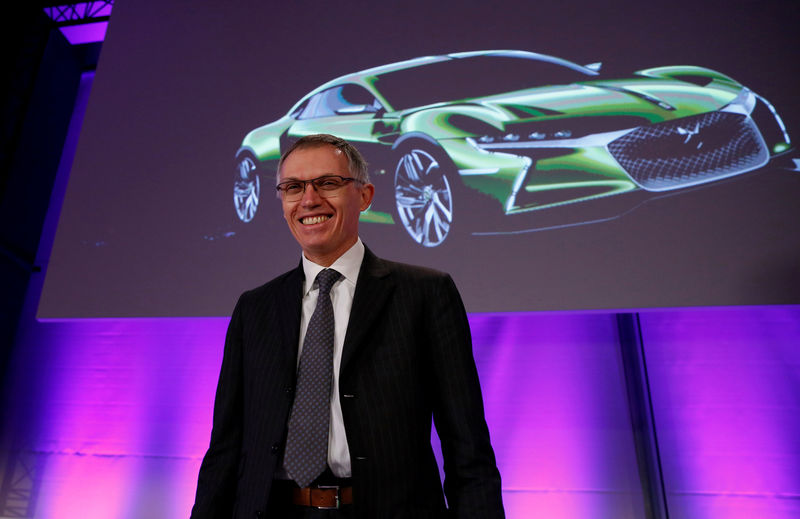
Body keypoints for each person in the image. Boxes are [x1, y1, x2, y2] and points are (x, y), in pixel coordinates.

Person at [191, 134, 504, 518]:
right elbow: (225, 445)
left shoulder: (424, 294)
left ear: (365, 196)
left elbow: (467, 446)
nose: (309, 199)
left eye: (327, 183)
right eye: (293, 187)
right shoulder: (254, 308)